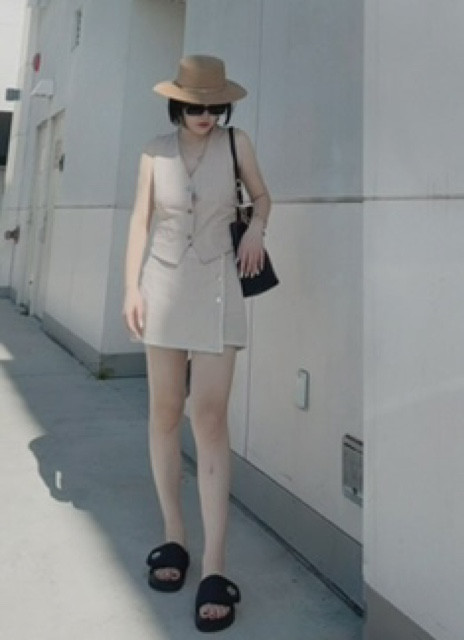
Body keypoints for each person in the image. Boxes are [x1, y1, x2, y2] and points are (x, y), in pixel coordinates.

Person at [122, 55, 270, 633]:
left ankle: (214, 567)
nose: (206, 115)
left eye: (214, 105)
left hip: (218, 288)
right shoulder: (154, 152)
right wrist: (130, 288)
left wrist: (256, 227)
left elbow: (262, 197)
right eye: (194, 106)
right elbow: (140, 222)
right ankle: (174, 538)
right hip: (162, 288)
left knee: (208, 419)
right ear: (177, 104)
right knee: (163, 414)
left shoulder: (237, 143)